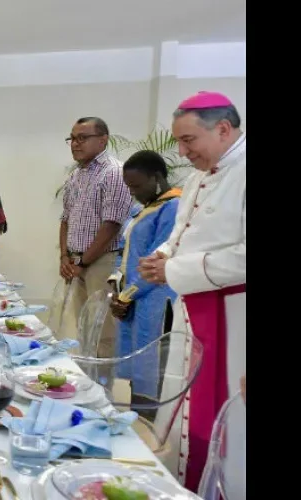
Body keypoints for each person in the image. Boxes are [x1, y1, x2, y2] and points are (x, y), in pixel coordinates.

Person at [137, 91, 245, 490]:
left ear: (222, 129)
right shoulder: (200, 176)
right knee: (186, 406)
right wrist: (161, 256)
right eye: (179, 141)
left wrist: (174, 269)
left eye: (188, 140)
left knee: (225, 422)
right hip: (193, 305)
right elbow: (183, 233)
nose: (181, 152)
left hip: (234, 317)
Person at [107, 150, 182, 413]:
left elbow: (155, 259)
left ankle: (149, 424)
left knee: (151, 366)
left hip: (155, 299)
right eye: (129, 187)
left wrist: (126, 296)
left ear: (157, 177)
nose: (133, 193)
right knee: (134, 363)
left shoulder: (173, 208)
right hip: (133, 298)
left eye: (136, 186)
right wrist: (116, 290)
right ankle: (134, 420)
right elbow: (124, 250)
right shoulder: (143, 209)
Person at [59, 117, 133, 353]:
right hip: (75, 262)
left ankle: (102, 389)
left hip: (102, 262)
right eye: (72, 138)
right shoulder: (75, 176)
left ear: (103, 140)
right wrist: (64, 257)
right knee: (82, 329)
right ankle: (87, 384)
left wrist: (83, 261)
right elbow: (65, 219)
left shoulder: (114, 173)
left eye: (82, 138)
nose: (75, 143)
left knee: (102, 334)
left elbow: (111, 225)